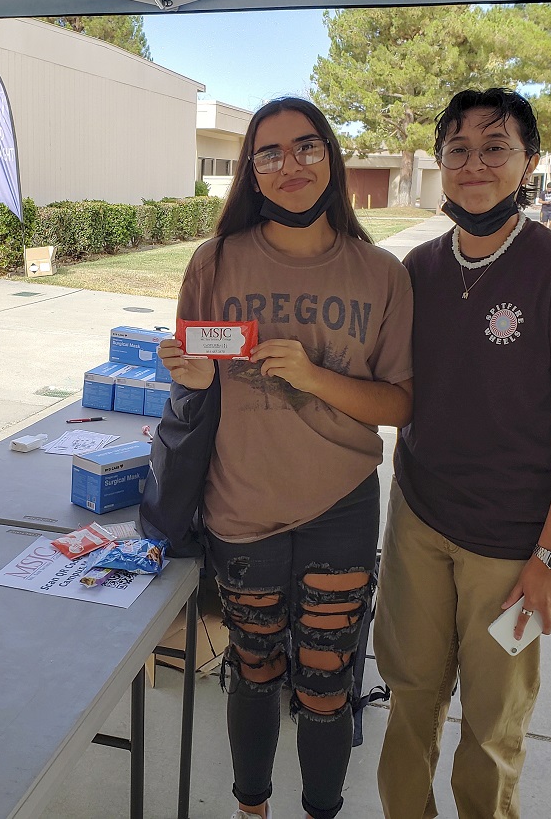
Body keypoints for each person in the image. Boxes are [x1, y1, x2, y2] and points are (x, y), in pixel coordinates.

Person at [157, 96, 413, 819]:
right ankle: (252, 808)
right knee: (255, 668)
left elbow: (401, 405)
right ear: (250, 172)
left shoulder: (380, 273)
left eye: (306, 146)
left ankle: (321, 810)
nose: (289, 165)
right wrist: (194, 375)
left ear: (331, 156)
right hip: (241, 501)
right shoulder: (215, 261)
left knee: (327, 683)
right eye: (268, 153)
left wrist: (313, 376)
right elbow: (198, 384)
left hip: (341, 505)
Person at [374, 89, 551, 819]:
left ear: (529, 163)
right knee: (411, 700)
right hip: (420, 519)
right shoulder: (417, 268)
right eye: (458, 149)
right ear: (440, 164)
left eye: (495, 147)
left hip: (514, 546)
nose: (473, 163)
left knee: (491, 728)